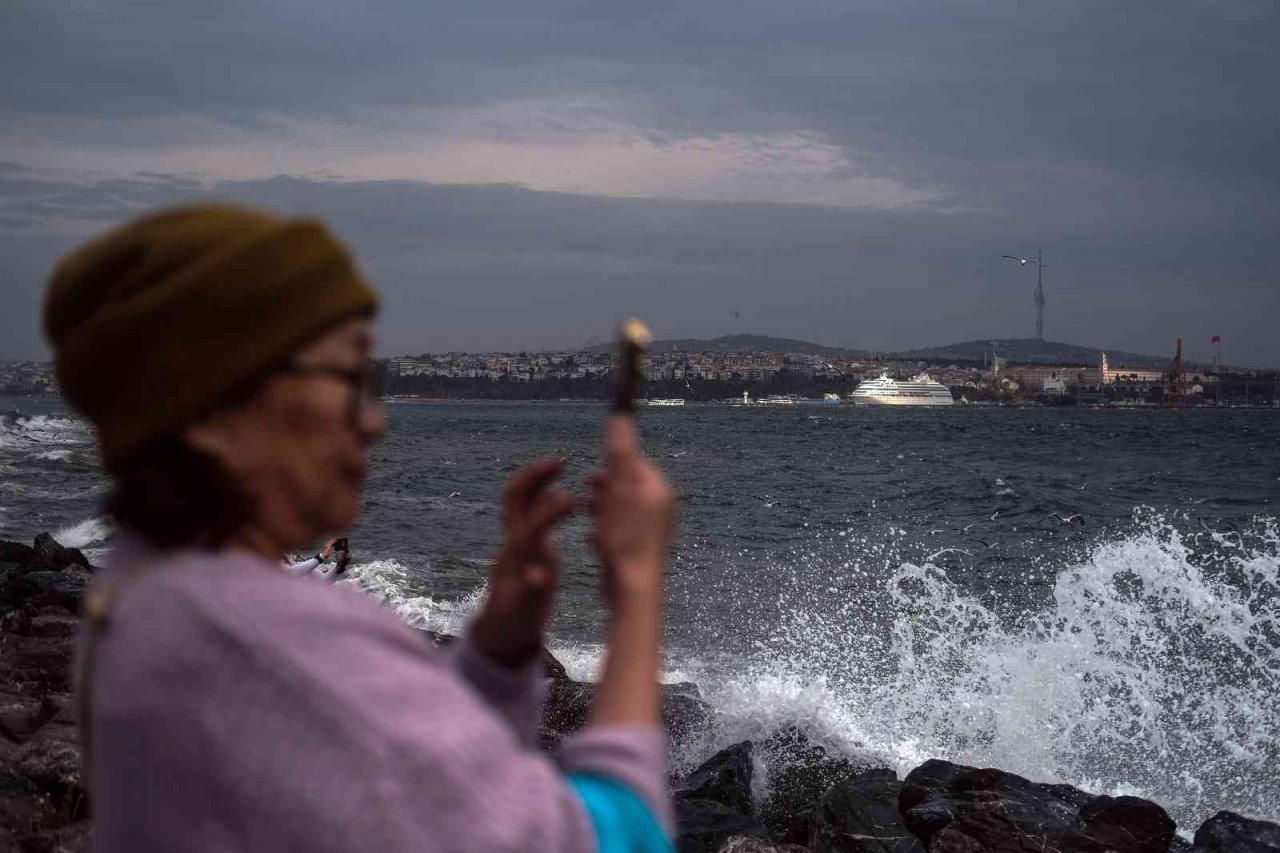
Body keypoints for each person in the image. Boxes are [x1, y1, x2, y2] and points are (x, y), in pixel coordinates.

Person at [48, 204, 677, 852]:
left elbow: (405, 779)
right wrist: (636, 582)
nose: (373, 420)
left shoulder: (148, 596)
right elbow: (615, 838)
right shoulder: (273, 646)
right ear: (214, 408)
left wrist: (498, 647)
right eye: (350, 378)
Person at [284, 537, 351, 579]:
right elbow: (286, 577)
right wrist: (321, 557)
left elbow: (323, 582)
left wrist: (340, 565)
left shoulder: (291, 559)